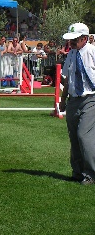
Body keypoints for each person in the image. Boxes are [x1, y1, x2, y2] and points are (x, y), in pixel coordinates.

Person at [59, 22, 95, 185]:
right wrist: (62, 99)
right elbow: (67, 79)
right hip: (73, 100)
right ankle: (77, 171)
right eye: (70, 40)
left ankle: (91, 174)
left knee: (84, 135)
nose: (71, 43)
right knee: (74, 137)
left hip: (90, 99)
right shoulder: (71, 54)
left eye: (74, 40)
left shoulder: (93, 52)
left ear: (84, 38)